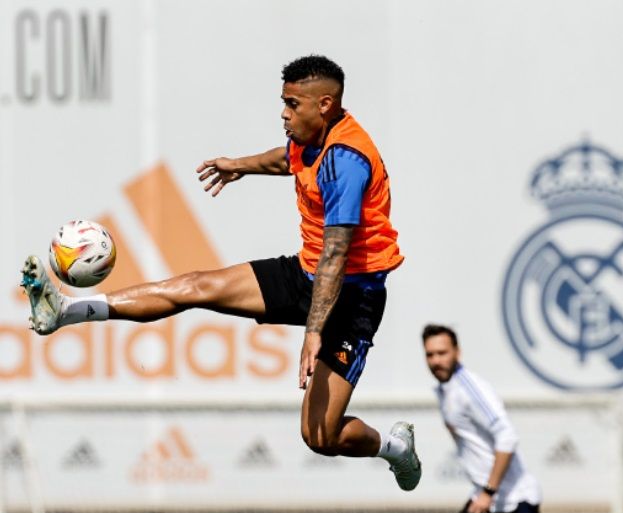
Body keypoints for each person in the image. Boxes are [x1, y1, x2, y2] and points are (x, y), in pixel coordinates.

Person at [20, 54, 421, 490]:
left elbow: (337, 255)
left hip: (350, 298)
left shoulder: (347, 160)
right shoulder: (313, 137)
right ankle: (65, 312)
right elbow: (287, 159)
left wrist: (313, 330)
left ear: (324, 105)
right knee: (196, 286)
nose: (284, 115)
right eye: (282, 103)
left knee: (319, 436)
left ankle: (394, 448)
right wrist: (239, 165)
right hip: (307, 274)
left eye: (292, 104)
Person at [421, 324, 551, 513]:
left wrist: (489, 491)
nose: (436, 361)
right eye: (430, 355)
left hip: (514, 501)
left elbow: (507, 437)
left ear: (457, 352)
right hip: (483, 504)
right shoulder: (445, 390)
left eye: (442, 353)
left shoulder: (469, 389)